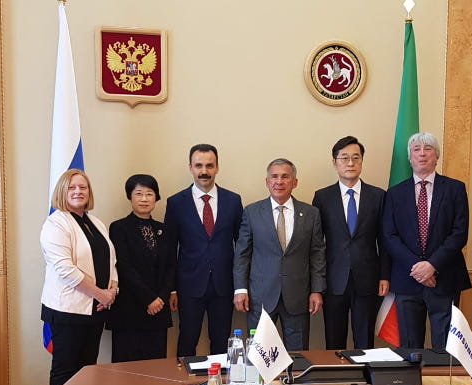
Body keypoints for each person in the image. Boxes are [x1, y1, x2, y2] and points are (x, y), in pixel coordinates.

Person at [383, 132, 471, 349]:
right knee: (410, 348)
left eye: (428, 149)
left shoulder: (455, 188)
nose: (422, 153)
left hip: (445, 277)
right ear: (409, 157)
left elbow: (459, 233)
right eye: (416, 149)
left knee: (445, 348)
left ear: (436, 156)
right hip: (407, 279)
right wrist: (418, 267)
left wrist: (432, 265)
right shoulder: (394, 193)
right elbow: (389, 236)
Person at [233, 158, 326, 351]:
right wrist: (240, 289)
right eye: (274, 177)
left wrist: (317, 290)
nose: (279, 181)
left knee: (297, 355)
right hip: (260, 296)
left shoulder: (311, 213)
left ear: (295, 182)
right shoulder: (252, 212)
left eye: (285, 177)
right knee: (260, 356)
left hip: (298, 296)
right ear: (267, 182)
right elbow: (242, 254)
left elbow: (317, 254)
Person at [40, 169, 118, 385]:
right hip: (67, 310)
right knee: (66, 369)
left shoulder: (96, 222)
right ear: (62, 191)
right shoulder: (55, 224)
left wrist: (112, 290)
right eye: (72, 187)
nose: (78, 191)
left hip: (96, 309)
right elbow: (65, 269)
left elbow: (111, 261)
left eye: (83, 187)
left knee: (88, 368)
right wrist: (100, 294)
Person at [164, 144, 243, 356]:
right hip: (189, 285)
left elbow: (242, 246)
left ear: (217, 167)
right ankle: (183, 377)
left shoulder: (233, 201)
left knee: (221, 340)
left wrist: (241, 286)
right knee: (187, 339)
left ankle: (221, 378)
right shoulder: (175, 203)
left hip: (224, 285)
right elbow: (169, 249)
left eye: (209, 165)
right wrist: (172, 289)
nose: (204, 171)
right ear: (190, 167)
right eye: (199, 165)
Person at [312, 136, 390, 349]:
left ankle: (364, 372)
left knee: (365, 342)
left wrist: (384, 275)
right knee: (334, 342)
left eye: (356, 158)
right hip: (333, 280)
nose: (350, 163)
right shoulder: (322, 197)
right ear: (334, 162)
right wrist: (317, 283)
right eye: (344, 158)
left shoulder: (378, 196)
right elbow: (316, 244)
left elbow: (384, 240)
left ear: (362, 161)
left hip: (368, 280)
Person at [107, 174, 174, 362]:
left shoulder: (165, 230)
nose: (144, 199)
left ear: (156, 198)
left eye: (149, 194)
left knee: (155, 366)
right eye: (138, 193)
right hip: (129, 309)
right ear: (130, 196)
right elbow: (124, 267)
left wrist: (161, 298)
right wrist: (149, 299)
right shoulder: (119, 228)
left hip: (158, 310)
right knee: (126, 368)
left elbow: (171, 266)